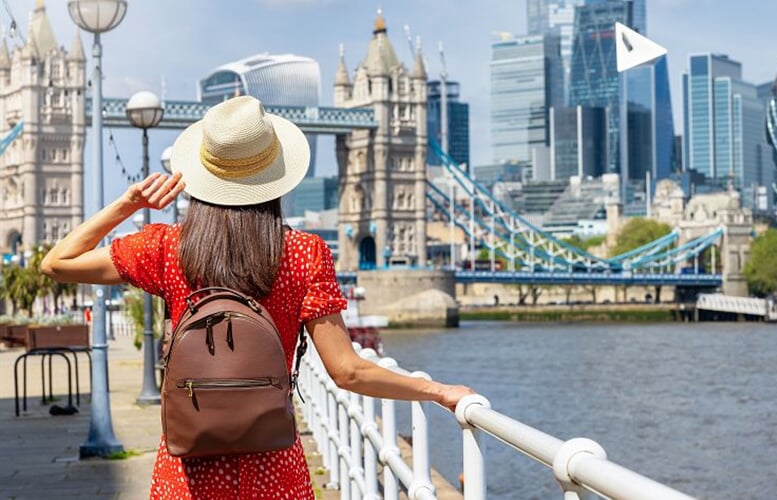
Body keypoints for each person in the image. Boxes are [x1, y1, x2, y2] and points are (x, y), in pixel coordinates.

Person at [41, 96, 474, 499]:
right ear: (276, 177)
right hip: (274, 468)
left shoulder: (166, 248)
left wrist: (127, 204)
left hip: (186, 471)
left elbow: (57, 262)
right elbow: (348, 373)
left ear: (201, 174)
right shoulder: (305, 254)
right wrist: (435, 391)